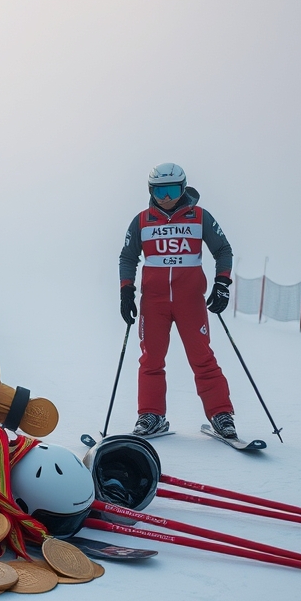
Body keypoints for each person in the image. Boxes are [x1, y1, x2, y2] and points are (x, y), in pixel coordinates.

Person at [118, 163, 238, 439]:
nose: (167, 198)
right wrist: (126, 291)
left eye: (172, 190)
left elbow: (223, 250)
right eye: (160, 191)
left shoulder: (199, 217)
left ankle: (221, 414)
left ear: (183, 188)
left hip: (190, 302)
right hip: (154, 303)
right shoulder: (141, 221)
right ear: (151, 191)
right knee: (151, 359)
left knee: (202, 358)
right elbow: (127, 256)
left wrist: (222, 284)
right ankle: (150, 415)